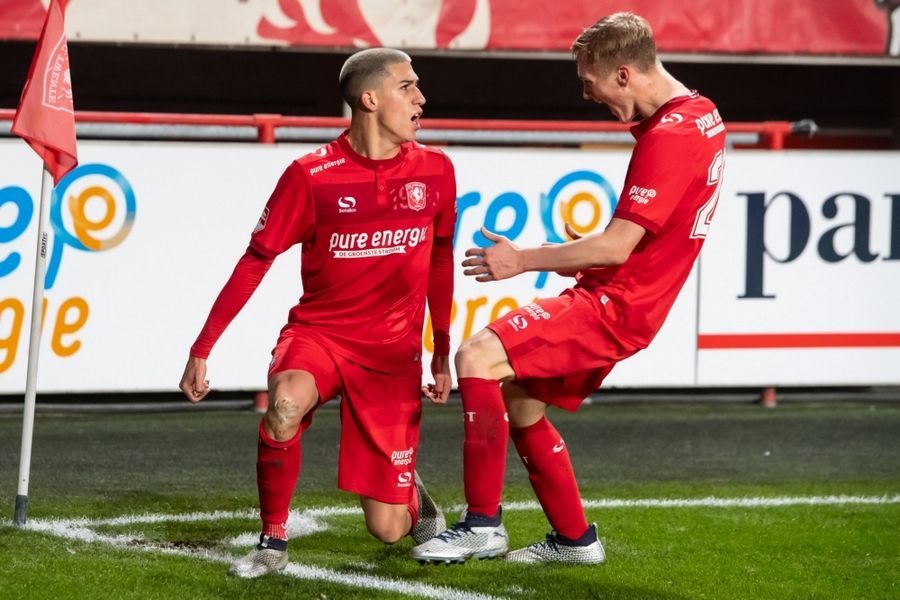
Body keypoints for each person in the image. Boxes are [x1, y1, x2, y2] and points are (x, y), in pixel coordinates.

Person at [411, 12, 726, 565]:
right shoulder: (701, 114)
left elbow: (615, 248)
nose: (588, 95)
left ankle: (483, 524)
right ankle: (576, 540)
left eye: (591, 82)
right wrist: (594, 250)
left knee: (477, 356)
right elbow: (635, 238)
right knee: (522, 401)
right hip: (629, 296)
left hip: (616, 303)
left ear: (624, 74)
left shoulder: (671, 136)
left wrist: (522, 260)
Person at [179, 47, 457, 578]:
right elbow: (256, 259)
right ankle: (273, 539)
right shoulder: (311, 175)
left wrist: (441, 351)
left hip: (391, 357)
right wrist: (202, 347)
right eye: (408, 86)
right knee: (283, 407)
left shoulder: (437, 170)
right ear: (370, 99)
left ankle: (411, 497)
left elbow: (441, 262)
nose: (421, 99)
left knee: (389, 530)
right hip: (321, 337)